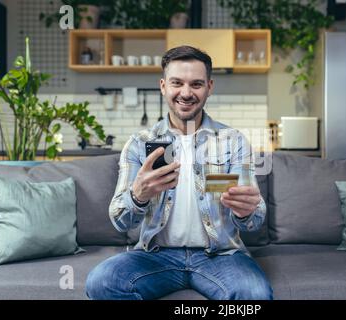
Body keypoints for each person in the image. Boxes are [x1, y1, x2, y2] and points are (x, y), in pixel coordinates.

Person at [86, 45, 273, 300]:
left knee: (255, 295)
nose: (186, 93)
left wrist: (247, 210)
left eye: (196, 84)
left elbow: (255, 219)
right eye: (177, 83)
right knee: (102, 282)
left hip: (219, 255)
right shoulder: (139, 144)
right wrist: (138, 196)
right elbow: (121, 221)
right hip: (156, 256)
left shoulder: (233, 141)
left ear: (209, 86)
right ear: (163, 86)